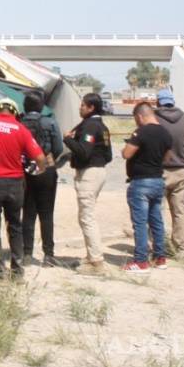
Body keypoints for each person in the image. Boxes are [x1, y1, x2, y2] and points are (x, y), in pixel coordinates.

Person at [0, 98, 46, 277]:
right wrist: (37, 171)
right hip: (16, 184)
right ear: (15, 112)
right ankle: (17, 269)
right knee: (15, 226)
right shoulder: (22, 130)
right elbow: (40, 158)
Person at [64, 93, 113, 275]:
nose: (80, 108)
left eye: (83, 105)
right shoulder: (101, 125)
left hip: (89, 173)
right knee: (85, 216)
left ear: (91, 108)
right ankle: (92, 255)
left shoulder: (91, 126)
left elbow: (84, 152)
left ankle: (96, 262)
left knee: (87, 217)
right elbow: (108, 155)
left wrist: (68, 139)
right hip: (98, 170)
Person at [121, 103, 172, 274]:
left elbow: (126, 154)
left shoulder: (141, 132)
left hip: (141, 182)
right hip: (158, 180)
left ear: (140, 116)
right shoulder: (165, 133)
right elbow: (167, 157)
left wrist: (130, 146)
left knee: (140, 223)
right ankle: (160, 257)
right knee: (157, 221)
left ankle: (141, 261)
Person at [20, 92, 66, 267]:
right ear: (41, 106)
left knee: (28, 213)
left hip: (25, 170)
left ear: (25, 106)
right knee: (46, 213)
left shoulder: (20, 123)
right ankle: (48, 255)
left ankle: (26, 254)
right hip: (46, 169)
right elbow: (58, 147)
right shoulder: (51, 122)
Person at [154, 88, 184, 257]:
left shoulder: (154, 119)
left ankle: (159, 246)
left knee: (156, 210)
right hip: (181, 169)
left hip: (161, 169)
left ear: (158, 102)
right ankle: (182, 247)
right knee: (179, 212)